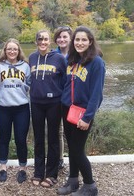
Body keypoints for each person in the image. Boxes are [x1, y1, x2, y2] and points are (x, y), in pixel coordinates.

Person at [57, 26, 105, 196]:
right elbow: (66, 84)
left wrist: (87, 117)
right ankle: (72, 181)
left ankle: (90, 185)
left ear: (90, 41)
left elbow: (96, 94)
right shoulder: (72, 60)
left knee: (77, 150)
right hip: (67, 110)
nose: (80, 42)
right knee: (72, 147)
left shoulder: (96, 63)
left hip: (82, 113)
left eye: (84, 39)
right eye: (77, 39)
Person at [29, 30, 67, 188]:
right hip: (36, 102)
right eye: (40, 39)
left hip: (54, 103)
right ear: (36, 41)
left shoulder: (58, 58)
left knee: (52, 138)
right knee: (38, 138)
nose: (43, 42)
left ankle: (51, 174)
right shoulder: (31, 57)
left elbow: (66, 81)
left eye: (45, 39)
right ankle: (38, 172)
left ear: (50, 41)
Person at [0, 38, 31, 183]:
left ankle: (22, 169)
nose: (12, 51)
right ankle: (3, 167)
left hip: (21, 108)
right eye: (9, 49)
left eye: (14, 49)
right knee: (4, 138)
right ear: (5, 50)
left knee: (21, 140)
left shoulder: (25, 66)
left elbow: (30, 84)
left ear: (18, 50)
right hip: (3, 107)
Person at [53, 26, 73, 170]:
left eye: (65, 36)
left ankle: (75, 159)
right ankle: (59, 158)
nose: (62, 39)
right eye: (59, 37)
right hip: (56, 98)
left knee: (72, 132)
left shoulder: (76, 54)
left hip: (72, 99)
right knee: (57, 130)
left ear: (70, 38)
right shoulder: (53, 54)